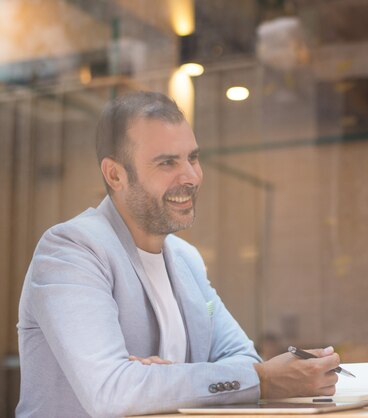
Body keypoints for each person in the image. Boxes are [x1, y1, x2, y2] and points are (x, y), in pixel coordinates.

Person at [16, 91, 340, 418]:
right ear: (115, 175)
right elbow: (113, 392)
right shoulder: (71, 250)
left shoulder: (186, 258)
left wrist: (160, 381)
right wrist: (259, 381)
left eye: (193, 158)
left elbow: (244, 358)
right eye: (167, 162)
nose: (192, 177)